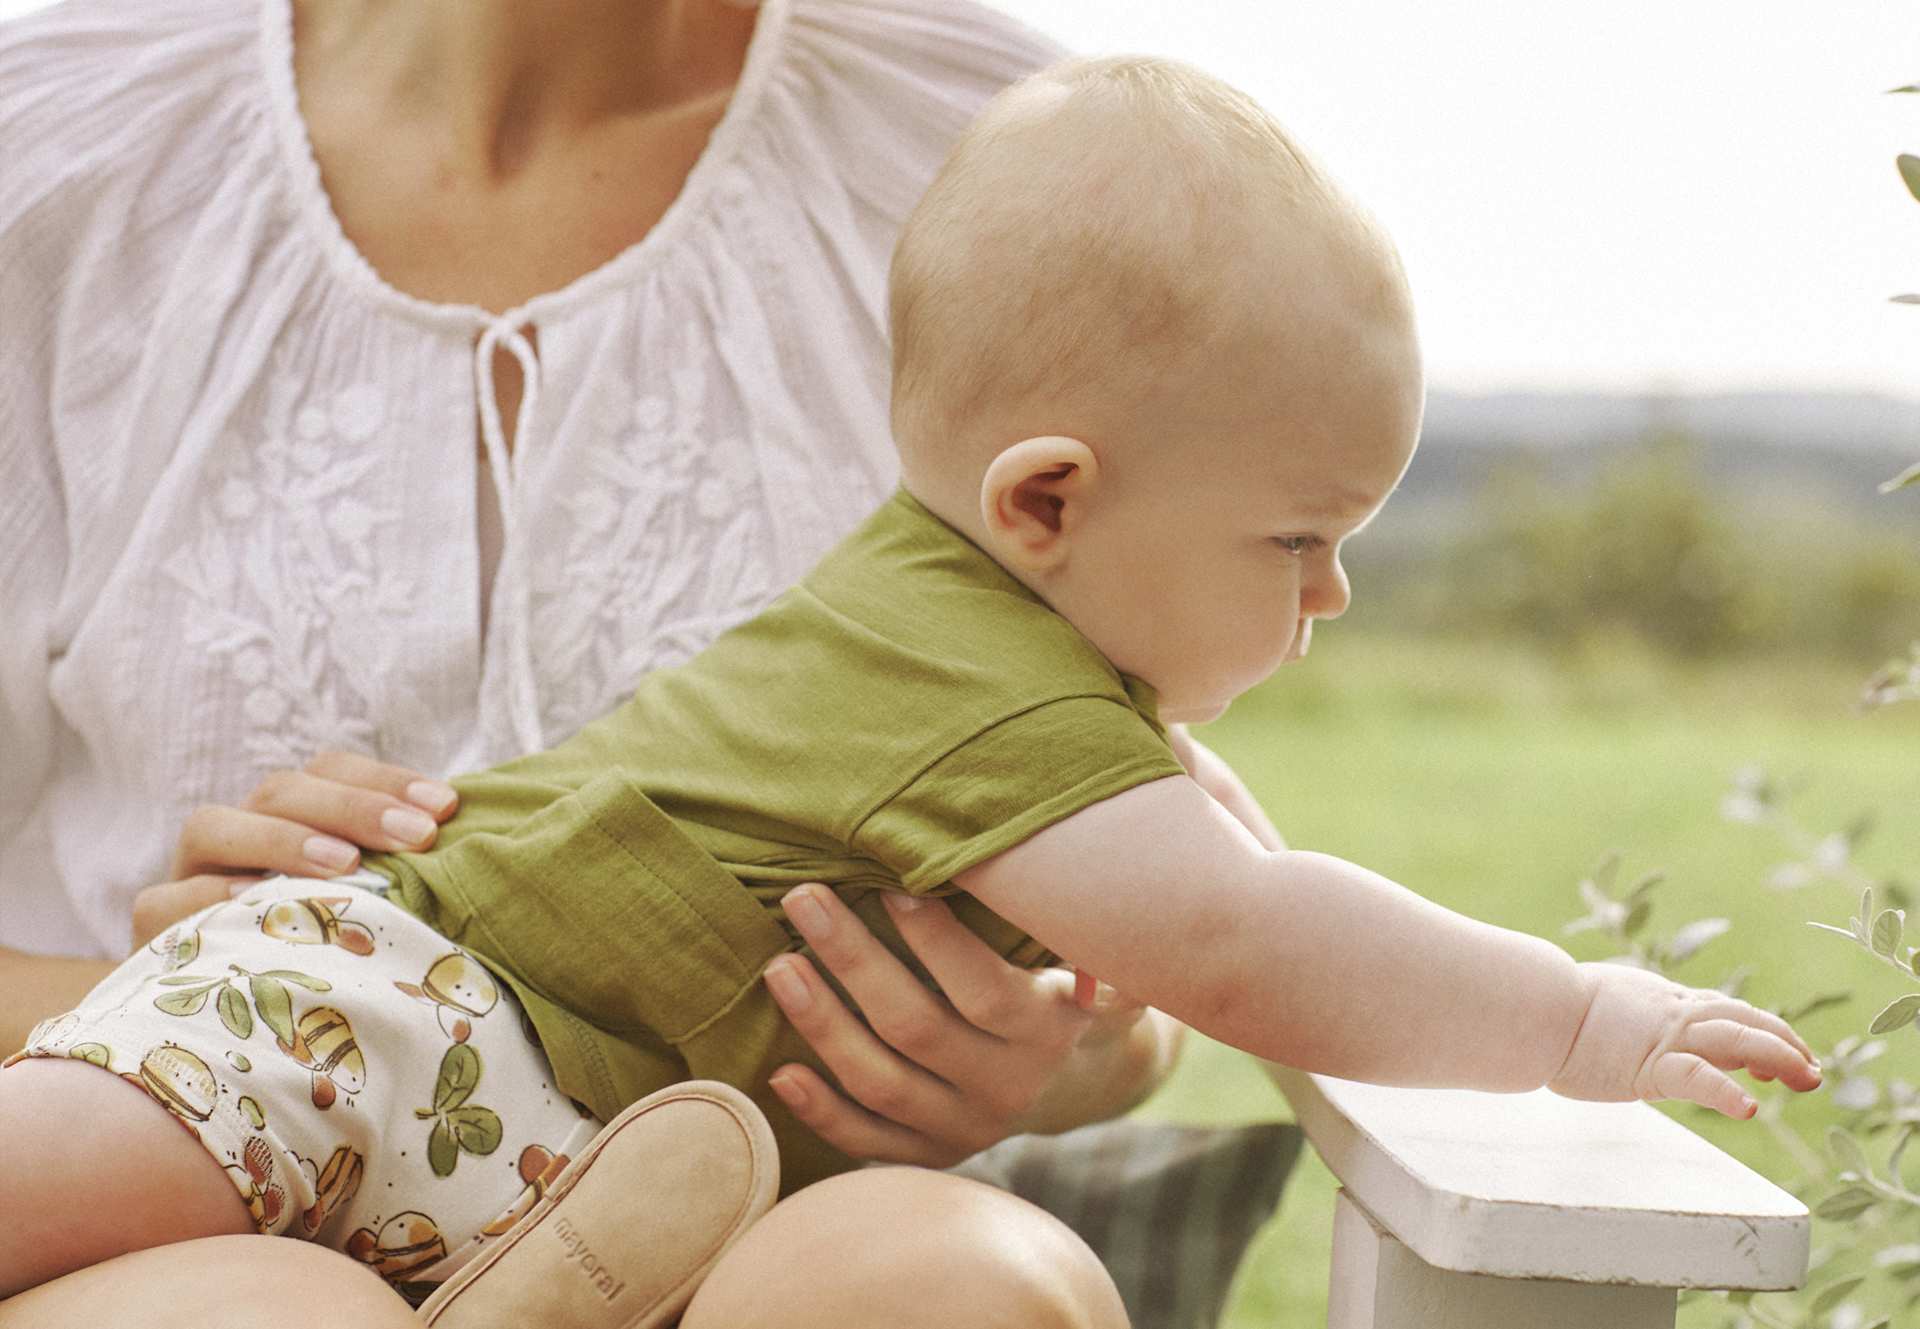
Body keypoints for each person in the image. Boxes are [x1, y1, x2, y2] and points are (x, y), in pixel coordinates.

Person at [0, 51, 1825, 1313]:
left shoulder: (1008, 660)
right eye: (1297, 538)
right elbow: (1252, 939)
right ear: (1050, 498)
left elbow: (1204, 895)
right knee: (62, 1178)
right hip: (387, 1018)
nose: (1335, 593)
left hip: (534, 1137)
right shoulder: (987, 684)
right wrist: (1578, 1020)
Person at [0, 0, 1226, 1325]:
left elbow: (1172, 916)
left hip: (780, 1213)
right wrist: (206, 999)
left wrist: (1053, 1049)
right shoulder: (53, 144)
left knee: (963, 1293)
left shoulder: (1026, 156)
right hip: (159, 1206)